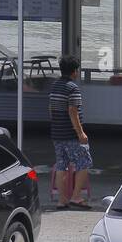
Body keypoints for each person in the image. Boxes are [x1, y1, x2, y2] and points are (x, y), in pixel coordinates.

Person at [49, 55, 92, 209]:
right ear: (74, 71)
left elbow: (51, 109)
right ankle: (76, 196)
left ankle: (62, 200)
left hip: (57, 133)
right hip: (70, 134)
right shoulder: (72, 88)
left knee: (62, 165)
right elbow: (73, 111)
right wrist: (80, 133)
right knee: (84, 161)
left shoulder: (55, 86)